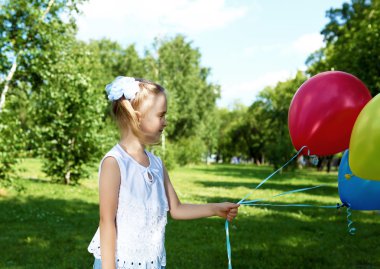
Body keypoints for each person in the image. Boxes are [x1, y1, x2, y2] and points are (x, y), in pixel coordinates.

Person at [87, 76, 239, 269]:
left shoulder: (157, 165)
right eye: (161, 115)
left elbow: (176, 209)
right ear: (137, 117)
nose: (165, 122)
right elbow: (107, 222)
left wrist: (215, 209)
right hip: (119, 263)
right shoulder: (115, 163)